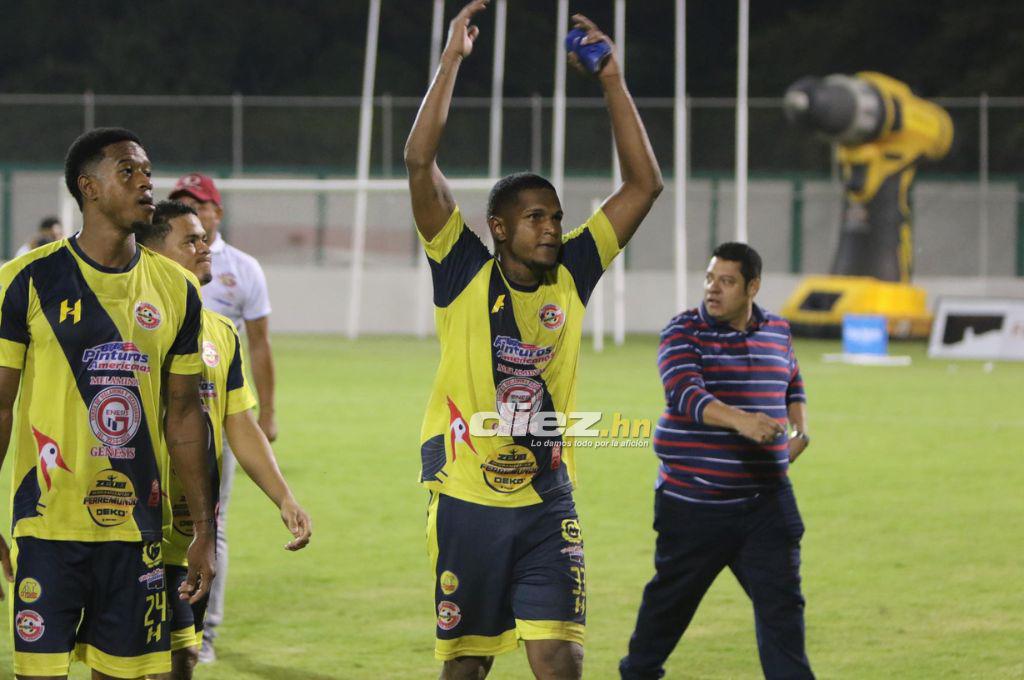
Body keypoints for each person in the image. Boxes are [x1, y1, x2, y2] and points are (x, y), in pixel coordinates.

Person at [404, 2, 662, 678]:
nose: (551, 228)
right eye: (535, 218)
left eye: (556, 217)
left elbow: (645, 184)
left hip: (550, 502)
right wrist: (451, 61)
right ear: (497, 226)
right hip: (467, 501)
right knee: (467, 669)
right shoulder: (461, 268)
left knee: (562, 662)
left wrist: (611, 81)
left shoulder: (574, 271)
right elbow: (417, 159)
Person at [0, 127, 216, 680]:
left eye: (147, 171)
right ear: (88, 188)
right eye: (128, 171)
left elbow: (186, 416)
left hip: (137, 532)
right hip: (48, 527)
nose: (146, 182)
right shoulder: (26, 281)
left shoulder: (177, 290)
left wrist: (203, 533)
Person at [619, 242, 814, 680]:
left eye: (726, 281)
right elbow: (685, 394)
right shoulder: (683, 331)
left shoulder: (778, 330)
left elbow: (793, 382)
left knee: (784, 612)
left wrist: (799, 431)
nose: (713, 289)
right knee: (667, 610)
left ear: (753, 287)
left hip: (766, 504)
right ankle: (638, 673)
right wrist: (742, 422)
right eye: (710, 278)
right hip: (693, 503)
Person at [135, 200, 312, 680]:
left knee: (183, 659)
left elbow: (239, 421)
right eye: (189, 241)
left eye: (204, 237)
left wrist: (284, 497)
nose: (204, 247)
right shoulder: (129, 324)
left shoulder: (220, 332)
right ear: (153, 255)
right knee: (131, 664)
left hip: (192, 531)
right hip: (131, 529)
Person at [167, 172, 277, 662]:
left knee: (211, 520)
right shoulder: (150, 265)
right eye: (183, 203)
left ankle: (201, 631)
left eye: (200, 203)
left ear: (217, 212)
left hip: (220, 411)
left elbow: (258, 343)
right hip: (160, 415)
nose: (193, 210)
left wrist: (265, 413)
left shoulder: (242, 269)